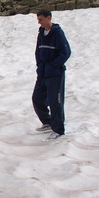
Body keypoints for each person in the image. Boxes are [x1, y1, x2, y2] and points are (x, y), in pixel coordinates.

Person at [32, 9, 71, 140]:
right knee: (37, 98)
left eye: (41, 19)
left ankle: (58, 129)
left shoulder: (58, 33)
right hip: (43, 72)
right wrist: (39, 66)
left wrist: (54, 65)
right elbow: (38, 51)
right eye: (38, 20)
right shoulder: (41, 33)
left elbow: (66, 52)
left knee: (56, 101)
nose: (39, 22)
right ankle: (47, 122)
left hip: (55, 73)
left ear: (49, 18)